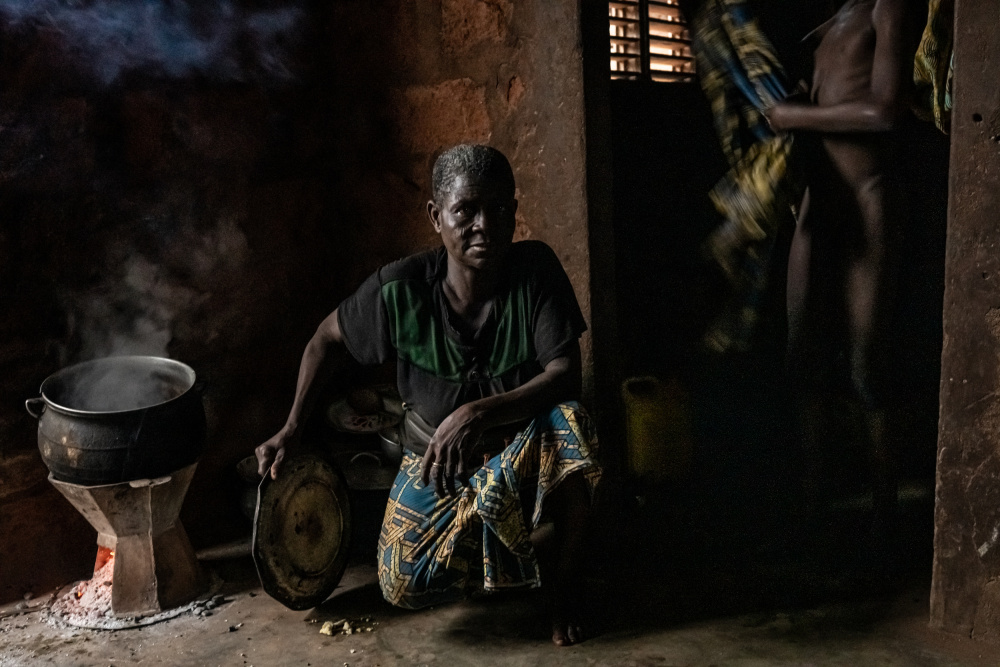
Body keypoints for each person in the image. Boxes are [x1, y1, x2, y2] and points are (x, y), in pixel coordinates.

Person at [255, 144, 602, 646]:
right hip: (437, 461)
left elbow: (566, 373)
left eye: (499, 208)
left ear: (513, 211)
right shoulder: (402, 290)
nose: (484, 224)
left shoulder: (534, 271)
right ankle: (502, 562)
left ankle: (566, 590)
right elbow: (324, 340)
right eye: (466, 210)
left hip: (521, 449)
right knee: (401, 583)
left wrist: (478, 413)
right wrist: (292, 427)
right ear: (436, 216)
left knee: (571, 424)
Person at [764, 0, 921, 556]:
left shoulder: (890, 7)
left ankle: (883, 519)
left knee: (866, 363)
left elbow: (884, 111)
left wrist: (793, 117)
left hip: (868, 196)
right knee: (802, 355)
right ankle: (814, 510)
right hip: (818, 204)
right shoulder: (829, 24)